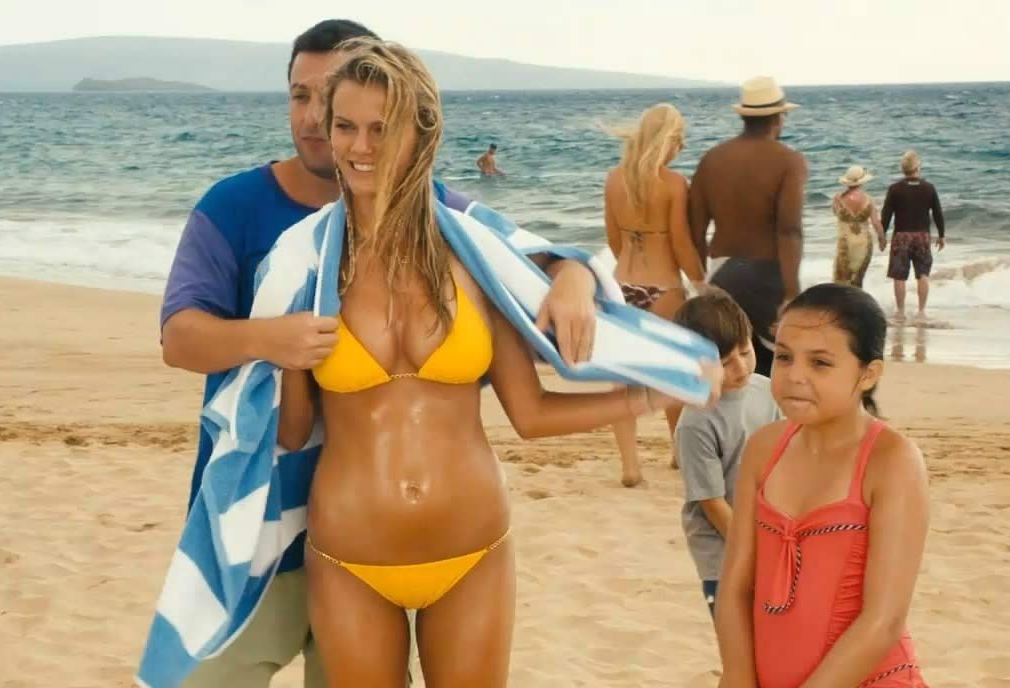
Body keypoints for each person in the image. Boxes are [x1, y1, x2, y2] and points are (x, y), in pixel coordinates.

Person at [157, 19, 602, 688]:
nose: (320, 120)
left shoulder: (446, 220)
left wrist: (577, 273)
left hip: (418, 541)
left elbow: (526, 258)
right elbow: (180, 338)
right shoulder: (245, 215)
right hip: (270, 535)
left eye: (373, 122)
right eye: (305, 98)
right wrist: (271, 340)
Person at [276, 37, 721, 687]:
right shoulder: (304, 263)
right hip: (349, 559)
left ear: (421, 133)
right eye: (346, 127)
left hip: (472, 552)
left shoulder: (477, 258)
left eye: (382, 128)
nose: (361, 147)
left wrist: (654, 392)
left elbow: (530, 414)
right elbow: (291, 434)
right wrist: (287, 354)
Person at [714, 283, 930, 688]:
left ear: (868, 374)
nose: (794, 376)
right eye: (784, 357)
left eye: (820, 363)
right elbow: (736, 587)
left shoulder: (891, 462)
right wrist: (739, 677)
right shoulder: (763, 449)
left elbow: (882, 622)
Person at [602, 102, 706, 487]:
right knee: (673, 375)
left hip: (620, 286)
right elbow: (681, 243)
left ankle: (630, 466)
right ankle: (678, 452)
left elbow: (613, 240)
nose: (681, 148)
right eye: (680, 140)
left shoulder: (614, 179)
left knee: (621, 381)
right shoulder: (675, 184)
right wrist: (701, 282)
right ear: (668, 140)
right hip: (664, 287)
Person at [672, 289, 781, 619]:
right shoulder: (695, 423)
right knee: (738, 639)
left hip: (771, 538)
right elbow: (712, 503)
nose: (740, 367)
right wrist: (754, 552)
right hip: (722, 556)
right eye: (724, 363)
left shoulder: (768, 391)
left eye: (745, 352)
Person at [689, 76, 807, 377]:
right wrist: (792, 293)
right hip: (768, 276)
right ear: (778, 118)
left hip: (721, 272)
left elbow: (696, 228)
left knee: (728, 366)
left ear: (745, 116)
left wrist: (700, 281)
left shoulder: (712, 159)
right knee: (772, 366)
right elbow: (789, 230)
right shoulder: (789, 161)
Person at [880, 150, 945, 321]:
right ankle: (921, 311)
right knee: (923, 274)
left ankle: (901, 312)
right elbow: (938, 213)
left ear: (903, 169)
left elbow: (886, 215)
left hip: (901, 236)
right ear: (917, 167)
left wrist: (882, 236)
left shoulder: (894, 189)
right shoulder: (929, 188)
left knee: (899, 276)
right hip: (922, 236)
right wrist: (942, 235)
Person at [831, 165, 885, 288]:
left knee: (841, 281)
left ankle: (841, 300)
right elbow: (876, 223)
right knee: (857, 281)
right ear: (862, 181)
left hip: (845, 243)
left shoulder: (838, 198)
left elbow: (835, 213)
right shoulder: (869, 200)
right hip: (864, 244)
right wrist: (882, 239)